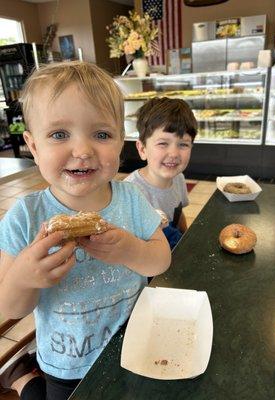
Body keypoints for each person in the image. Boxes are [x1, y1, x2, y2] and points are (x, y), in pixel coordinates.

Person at [0, 61, 171, 400]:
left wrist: (131, 251)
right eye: (59, 134)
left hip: (131, 348)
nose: (82, 151)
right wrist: (24, 277)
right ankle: (25, 378)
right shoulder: (25, 216)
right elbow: (9, 307)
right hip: (67, 364)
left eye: (101, 134)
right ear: (33, 147)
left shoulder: (131, 198)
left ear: (120, 142)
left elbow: (161, 260)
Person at [125, 97, 197, 249]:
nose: (174, 153)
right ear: (142, 149)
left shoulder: (179, 179)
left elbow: (179, 215)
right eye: (163, 143)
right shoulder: (130, 193)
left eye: (183, 144)